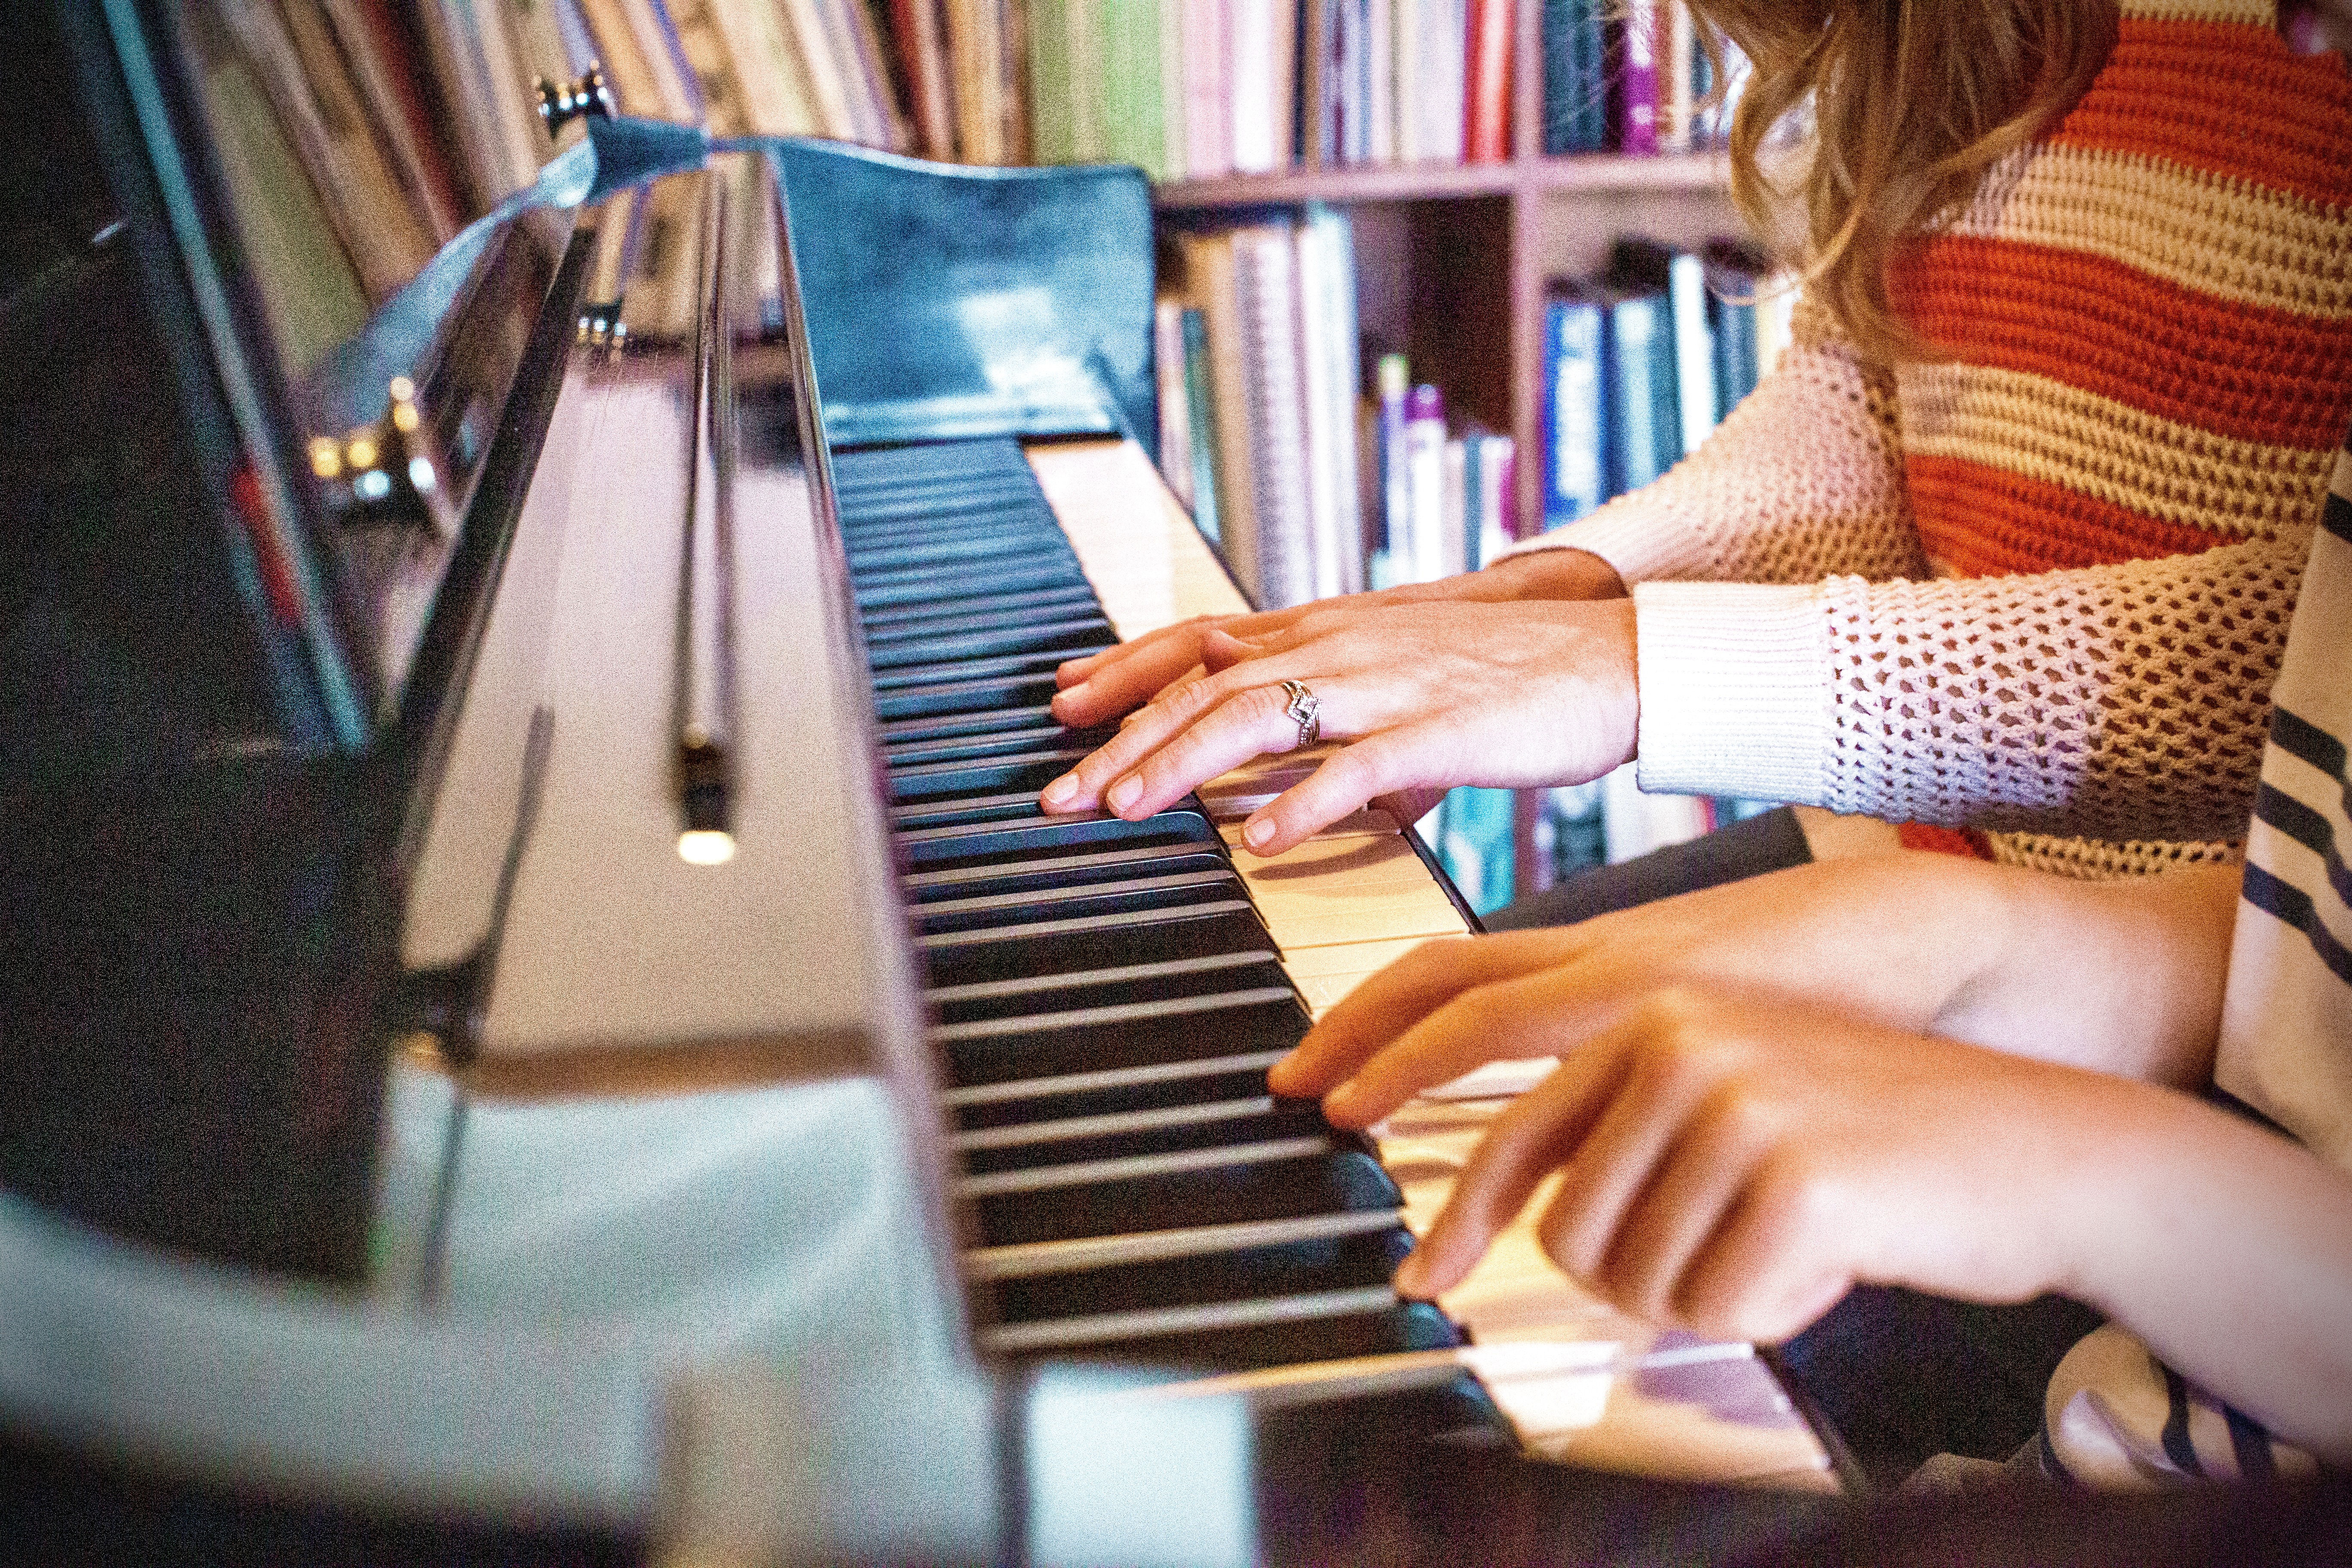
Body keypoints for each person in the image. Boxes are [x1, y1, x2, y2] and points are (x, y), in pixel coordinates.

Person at [1039, 0, 2352, 891]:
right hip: (1941, 863)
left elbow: (2320, 662)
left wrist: (1643, 668)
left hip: (2240, 1016)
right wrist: (1539, 599)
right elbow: (1870, 414)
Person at [1262, 419, 2352, 1488]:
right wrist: (1980, 936)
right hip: (2129, 995)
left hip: (2210, 1349)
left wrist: (2111, 1179)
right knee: (1385, 1084)